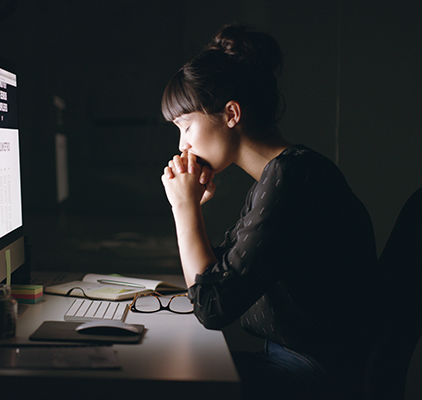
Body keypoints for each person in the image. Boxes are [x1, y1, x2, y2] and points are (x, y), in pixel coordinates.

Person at [160, 24, 377, 400]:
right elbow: (217, 279)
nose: (183, 146)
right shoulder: (278, 176)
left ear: (231, 114)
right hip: (293, 364)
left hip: (313, 378)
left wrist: (185, 210)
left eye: (186, 126)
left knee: (162, 380)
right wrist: (190, 207)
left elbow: (212, 307)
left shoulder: (290, 177)